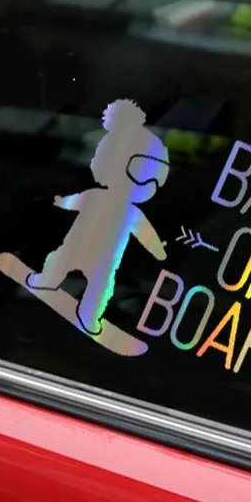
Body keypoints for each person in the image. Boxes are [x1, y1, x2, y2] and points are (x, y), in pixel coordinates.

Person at [28, 99, 169, 334]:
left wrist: (60, 202)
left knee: (75, 270)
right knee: (89, 279)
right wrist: (159, 251)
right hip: (95, 256)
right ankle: (78, 307)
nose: (148, 182)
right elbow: (146, 234)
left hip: (85, 251)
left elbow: (145, 233)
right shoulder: (119, 206)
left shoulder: (103, 199)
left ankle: (55, 289)